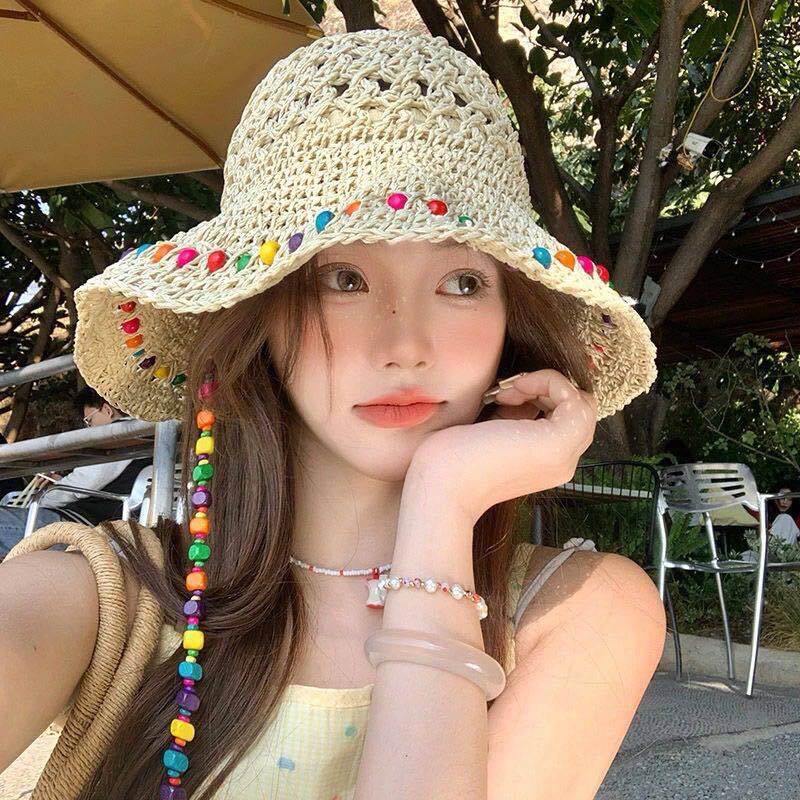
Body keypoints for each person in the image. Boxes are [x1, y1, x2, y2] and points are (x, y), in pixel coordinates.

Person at [0, 30, 666, 800]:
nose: (405, 346)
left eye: (461, 282)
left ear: (510, 321)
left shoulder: (578, 613)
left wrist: (443, 504)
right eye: (343, 279)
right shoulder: (92, 597)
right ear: (260, 319)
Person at [0, 387, 150, 558]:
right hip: (93, 526)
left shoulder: (120, 436)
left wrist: (44, 495)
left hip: (74, 527)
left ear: (107, 410)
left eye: (89, 420)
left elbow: (85, 482)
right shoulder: (145, 440)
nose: (89, 427)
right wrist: (60, 482)